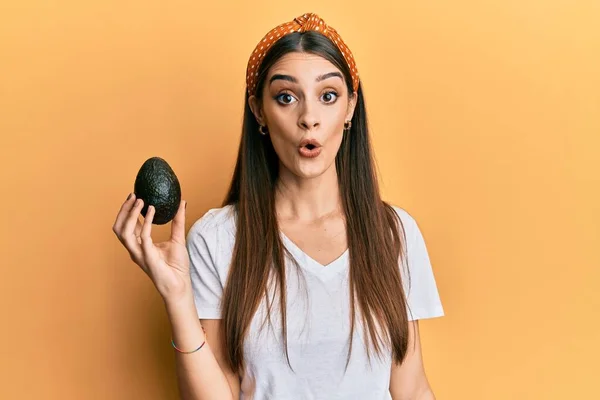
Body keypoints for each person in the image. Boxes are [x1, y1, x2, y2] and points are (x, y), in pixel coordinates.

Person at [113, 12, 444, 400]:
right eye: (286, 97)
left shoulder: (394, 234)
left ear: (351, 108)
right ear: (259, 112)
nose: (309, 119)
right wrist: (177, 298)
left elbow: (413, 389)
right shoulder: (217, 239)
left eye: (328, 96)